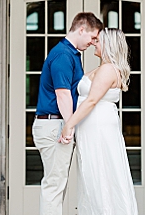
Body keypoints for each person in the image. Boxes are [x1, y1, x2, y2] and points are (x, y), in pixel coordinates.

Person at [59, 28, 139, 215]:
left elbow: (92, 100)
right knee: (93, 175)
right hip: (93, 127)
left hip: (99, 128)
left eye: (99, 41)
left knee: (101, 174)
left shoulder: (108, 70)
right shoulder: (104, 67)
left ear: (109, 45)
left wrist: (69, 125)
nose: (95, 43)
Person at [33, 12, 103, 215]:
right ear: (81, 29)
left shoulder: (69, 53)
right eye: (92, 37)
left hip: (56, 124)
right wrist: (69, 125)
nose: (92, 42)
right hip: (54, 125)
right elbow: (63, 95)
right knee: (54, 185)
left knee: (57, 184)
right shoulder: (63, 54)